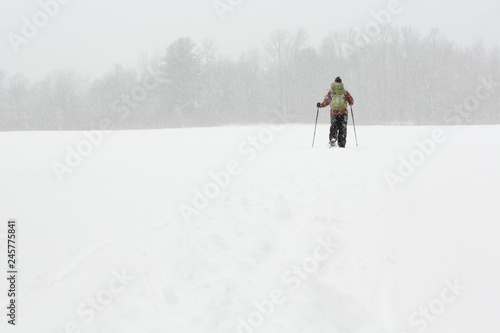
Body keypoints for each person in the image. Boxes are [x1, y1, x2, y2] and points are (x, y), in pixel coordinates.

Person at [316, 77, 354, 148]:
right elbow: (351, 101)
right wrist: (350, 103)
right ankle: (342, 143)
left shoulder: (331, 92)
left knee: (334, 126)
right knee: (343, 128)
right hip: (343, 113)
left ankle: (333, 138)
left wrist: (320, 105)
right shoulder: (344, 92)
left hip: (334, 113)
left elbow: (326, 101)